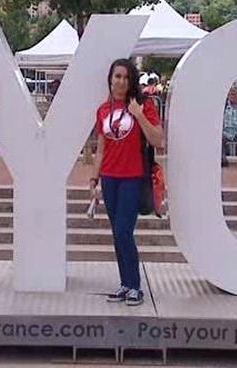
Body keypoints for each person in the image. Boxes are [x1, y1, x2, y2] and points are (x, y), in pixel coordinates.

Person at [90, 59, 164, 307]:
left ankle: (135, 286)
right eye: (117, 76)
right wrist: (94, 177)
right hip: (110, 178)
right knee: (117, 234)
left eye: (125, 77)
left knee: (124, 231)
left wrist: (139, 116)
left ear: (132, 80)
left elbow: (157, 140)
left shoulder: (144, 105)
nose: (120, 82)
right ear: (110, 79)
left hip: (133, 177)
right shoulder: (103, 109)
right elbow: (101, 148)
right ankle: (125, 283)